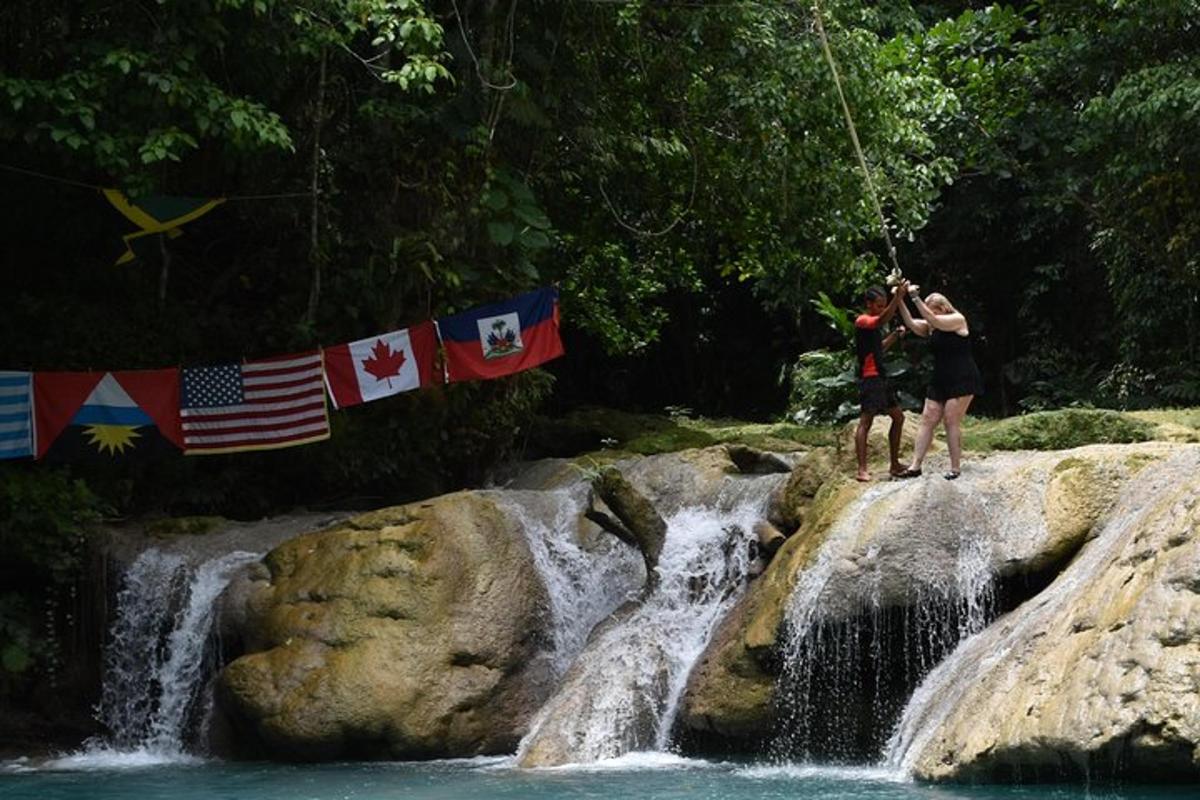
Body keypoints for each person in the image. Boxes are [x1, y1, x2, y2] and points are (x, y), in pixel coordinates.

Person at [894, 281, 984, 480]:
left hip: (962, 376)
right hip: (940, 377)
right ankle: (915, 465)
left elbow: (931, 317)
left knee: (951, 419)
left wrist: (915, 297)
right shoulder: (932, 325)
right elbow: (911, 323)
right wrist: (900, 299)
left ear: (942, 308)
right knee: (928, 418)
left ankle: (955, 467)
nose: (928, 315)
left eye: (931, 310)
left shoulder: (957, 319)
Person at [853, 286, 907, 482]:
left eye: (884, 305)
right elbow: (881, 319)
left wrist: (894, 335)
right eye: (879, 305)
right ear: (868, 304)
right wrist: (898, 298)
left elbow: (879, 348)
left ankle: (894, 464)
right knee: (865, 422)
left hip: (880, 377)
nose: (882, 309)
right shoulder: (862, 321)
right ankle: (861, 469)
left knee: (898, 418)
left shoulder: (874, 327)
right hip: (869, 378)